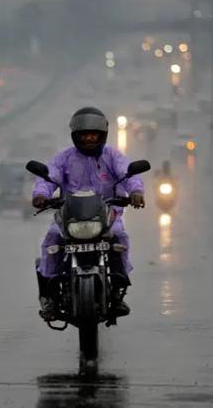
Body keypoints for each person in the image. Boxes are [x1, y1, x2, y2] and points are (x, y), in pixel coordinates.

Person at [32, 107, 145, 321]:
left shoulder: (112, 155)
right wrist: (40, 194)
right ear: (76, 136)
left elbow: (127, 173)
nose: (89, 139)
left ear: (102, 135)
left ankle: (117, 290)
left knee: (119, 238)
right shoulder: (64, 158)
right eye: (85, 135)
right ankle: (48, 296)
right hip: (70, 216)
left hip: (107, 215)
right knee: (51, 241)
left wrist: (136, 192)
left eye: (94, 135)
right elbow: (48, 178)